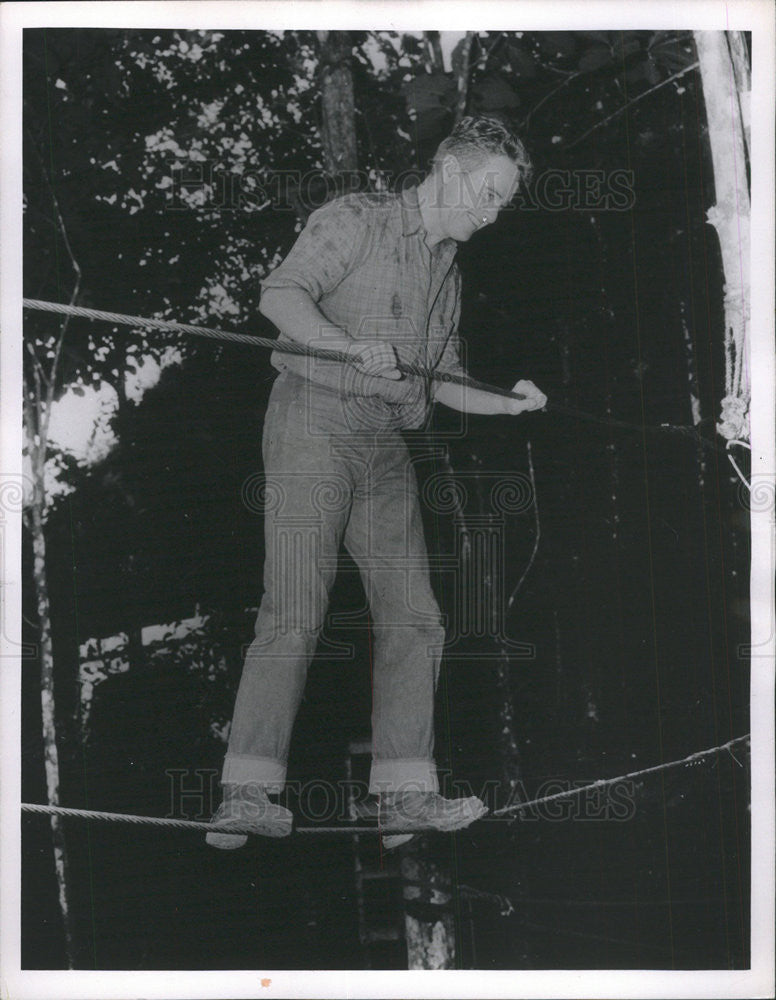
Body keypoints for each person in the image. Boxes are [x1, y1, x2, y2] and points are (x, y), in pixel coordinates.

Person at [207, 115, 547, 850]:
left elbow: (444, 380)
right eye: (488, 193)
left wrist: (507, 400)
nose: (492, 214)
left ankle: (403, 796)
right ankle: (246, 791)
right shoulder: (355, 219)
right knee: (296, 603)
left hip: (384, 442)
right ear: (451, 172)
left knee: (417, 615)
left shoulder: (445, 271)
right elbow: (281, 296)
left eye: (503, 203)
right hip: (313, 419)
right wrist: (345, 347)